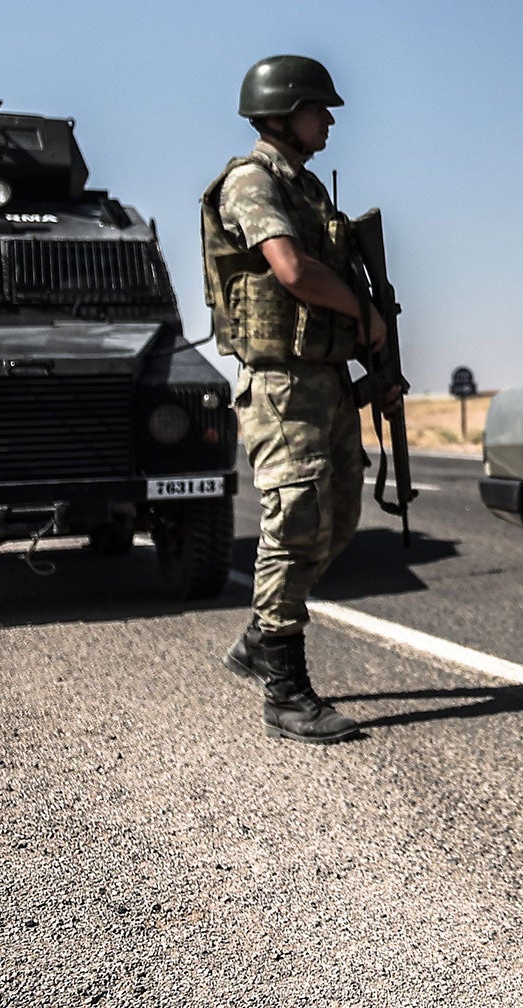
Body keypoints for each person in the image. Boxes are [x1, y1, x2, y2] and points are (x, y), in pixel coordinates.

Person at [201, 55, 397, 742]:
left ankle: (260, 636)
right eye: (320, 108)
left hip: (324, 378)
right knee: (295, 522)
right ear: (283, 113)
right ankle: (285, 690)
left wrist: (376, 355)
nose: (330, 119)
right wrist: (363, 312)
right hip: (281, 383)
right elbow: (289, 269)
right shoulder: (251, 182)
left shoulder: (306, 188)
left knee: (338, 520)